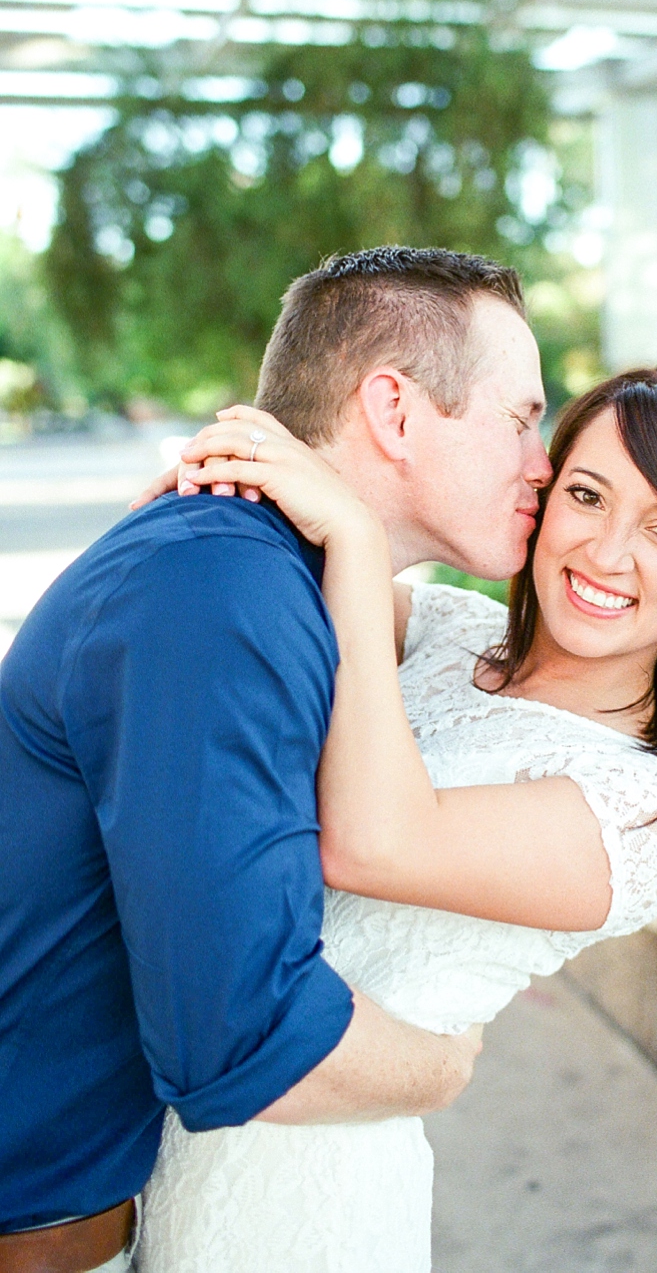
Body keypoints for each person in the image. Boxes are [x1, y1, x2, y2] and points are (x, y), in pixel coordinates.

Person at [130, 356, 657, 1271]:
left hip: (298, 1187)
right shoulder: (443, 631)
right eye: (586, 495)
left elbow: (372, 843)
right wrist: (219, 477)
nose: (606, 553)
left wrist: (359, 542)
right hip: (152, 1100)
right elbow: (232, 577)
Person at [0, 247, 596, 1271]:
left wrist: (355, 544)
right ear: (395, 411)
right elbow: (240, 1039)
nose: (541, 460)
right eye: (520, 416)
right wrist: (442, 1065)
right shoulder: (219, 586)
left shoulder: (270, 572)